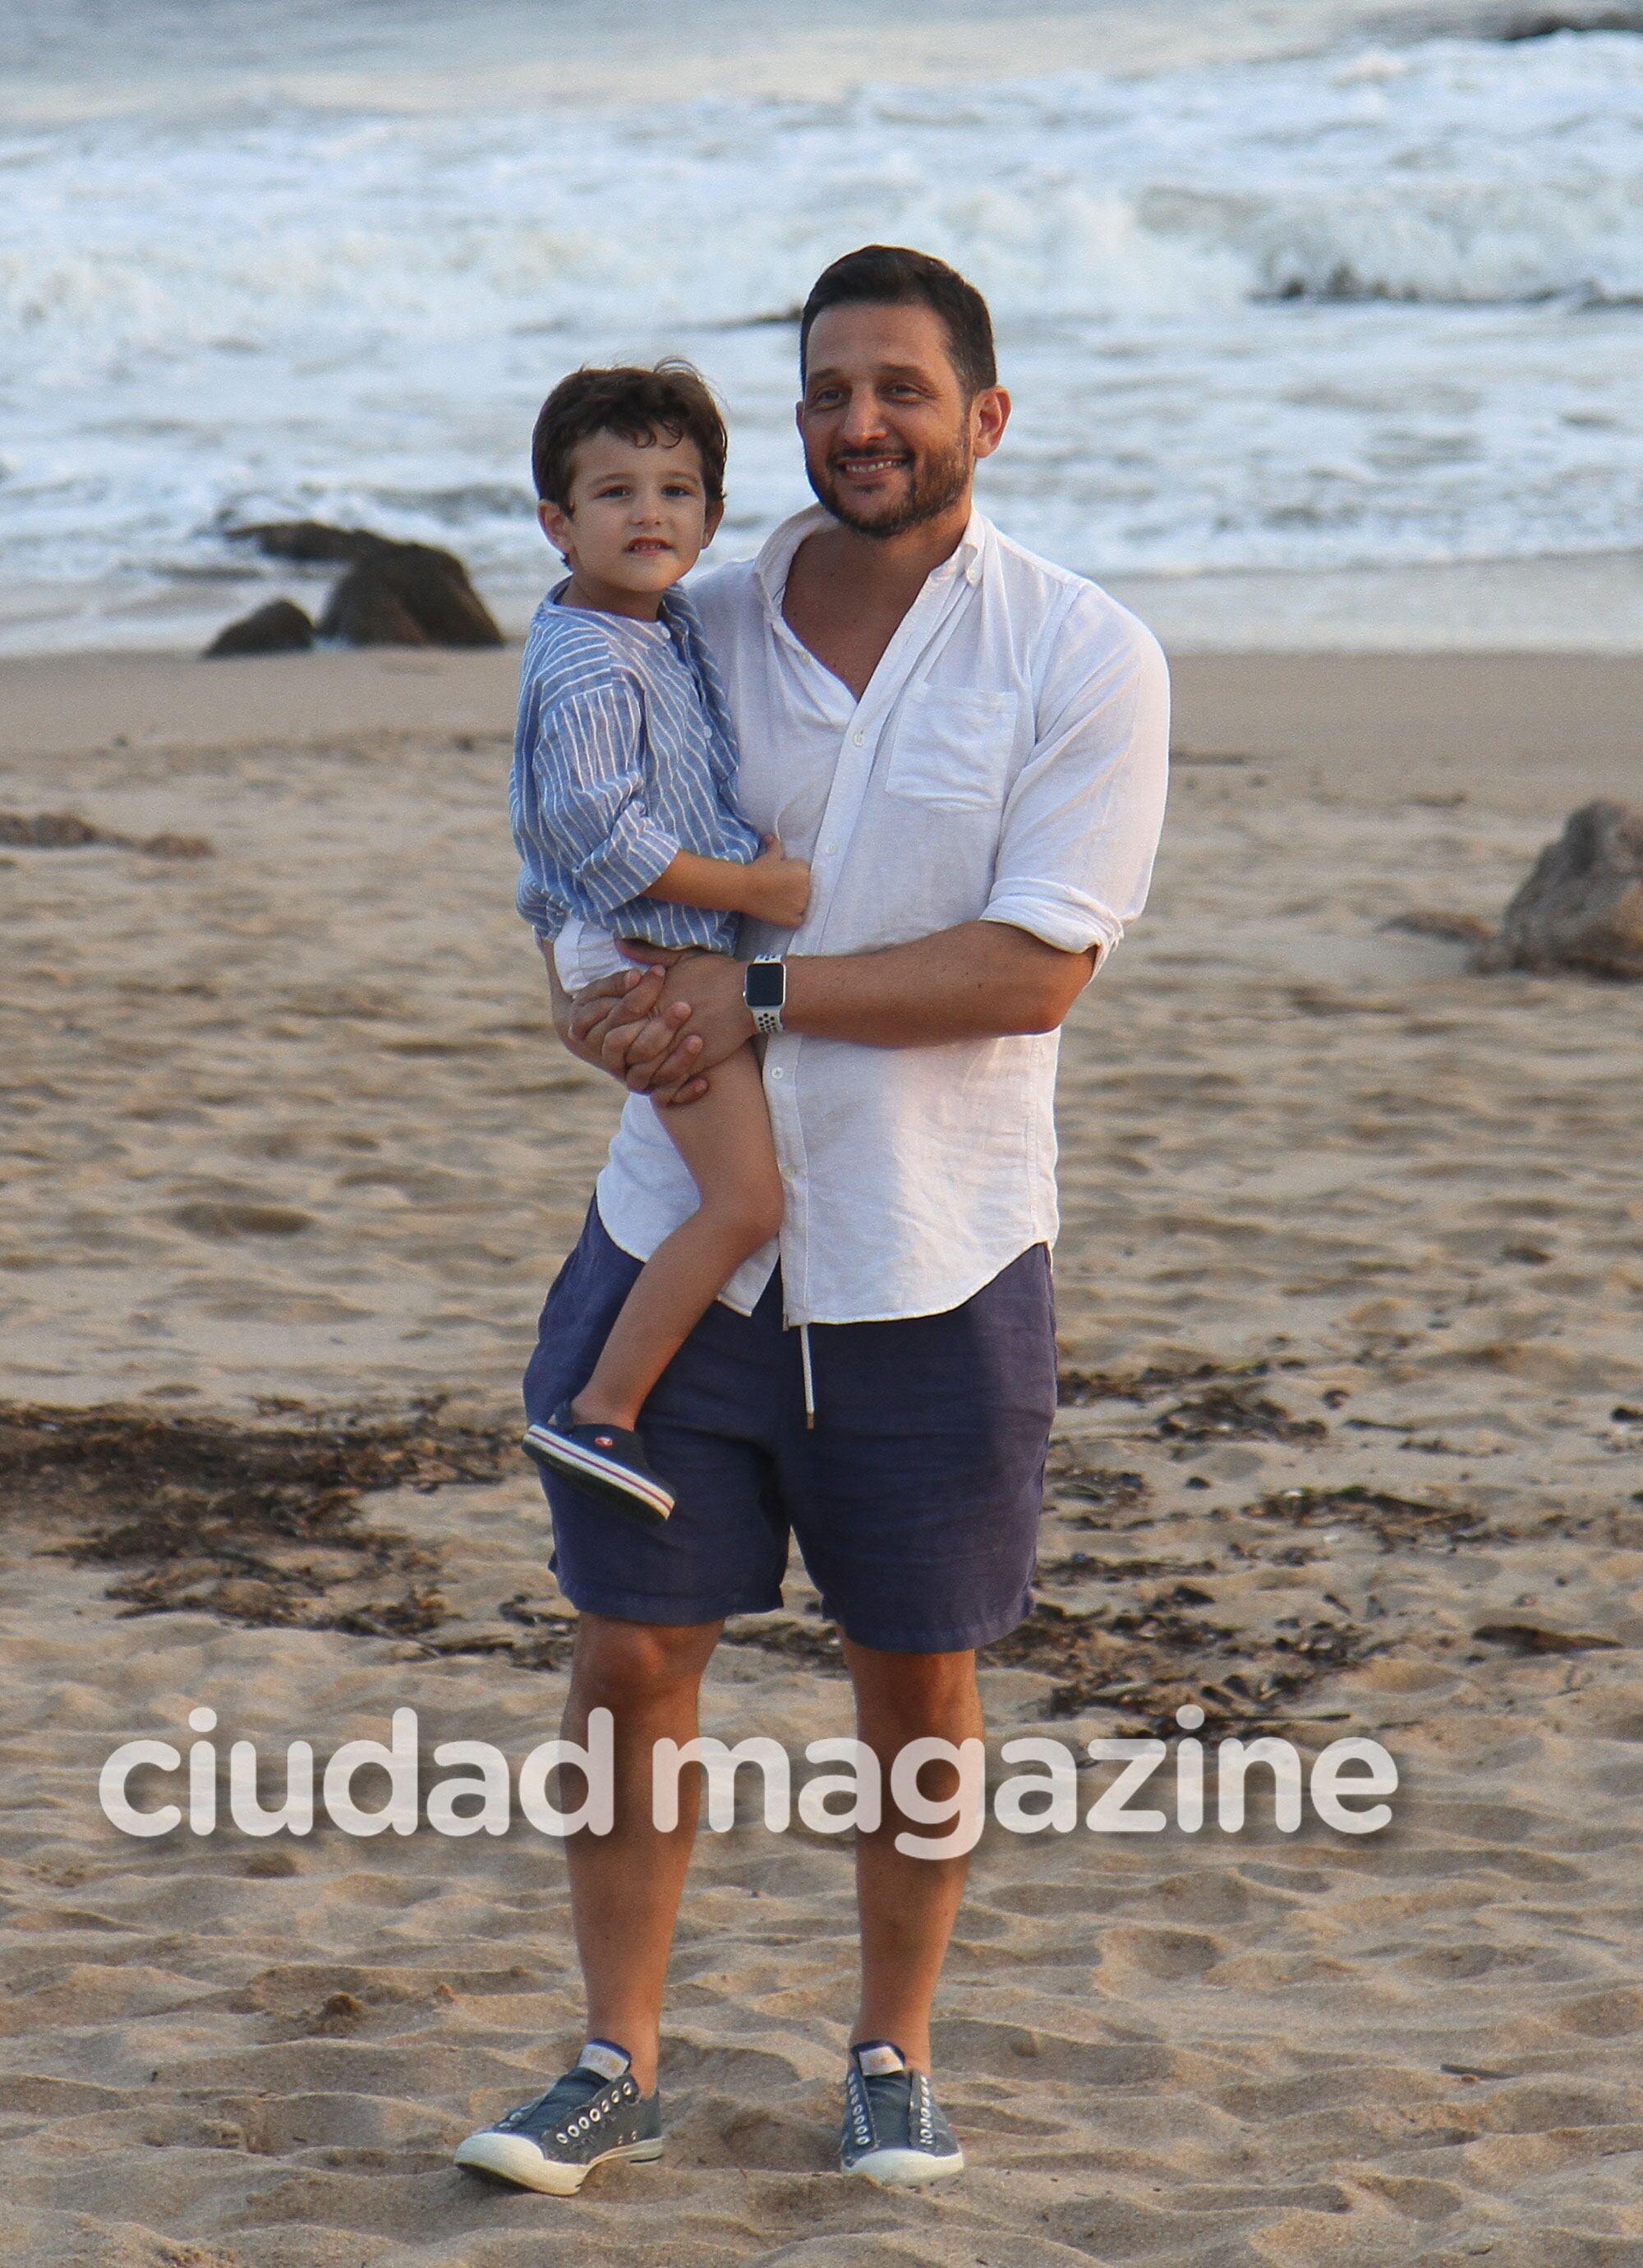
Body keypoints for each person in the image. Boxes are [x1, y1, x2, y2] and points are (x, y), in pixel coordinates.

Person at [455, 245, 1170, 2197]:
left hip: (937, 1253)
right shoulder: (695, 611)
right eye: (831, 389)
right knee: (626, 1663)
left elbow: (1032, 974)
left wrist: (757, 994)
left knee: (916, 1682)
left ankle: (892, 2053)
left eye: (904, 389)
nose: (864, 421)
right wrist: (574, 983)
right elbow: (573, 827)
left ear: (985, 416)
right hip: (679, 1217)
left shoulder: (1082, 652)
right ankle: (613, 2055)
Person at [509, 361, 812, 1523]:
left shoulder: (655, 618)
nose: (651, 516)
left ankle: (608, 1398)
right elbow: (604, 836)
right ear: (557, 524)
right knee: (744, 1204)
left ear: (714, 519)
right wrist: (756, 885)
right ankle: (604, 1407)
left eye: (678, 492)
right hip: (641, 949)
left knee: (739, 1194)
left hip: (647, 944)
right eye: (616, 493)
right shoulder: (591, 658)